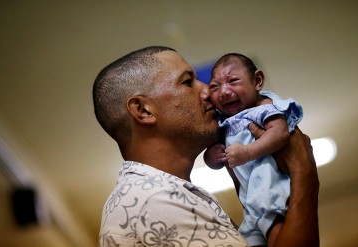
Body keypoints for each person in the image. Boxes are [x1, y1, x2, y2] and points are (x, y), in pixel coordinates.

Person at [93, 46, 319, 247]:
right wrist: (303, 172)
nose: (207, 92)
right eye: (187, 81)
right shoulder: (154, 202)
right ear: (143, 110)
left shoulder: (159, 194)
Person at [204, 53, 304, 246]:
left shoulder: (264, 107)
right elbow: (216, 162)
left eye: (233, 81)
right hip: (250, 202)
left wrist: (249, 152)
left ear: (257, 81)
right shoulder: (222, 122)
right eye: (215, 87)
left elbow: (280, 133)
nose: (224, 92)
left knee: (276, 232)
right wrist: (212, 157)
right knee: (250, 239)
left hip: (271, 191)